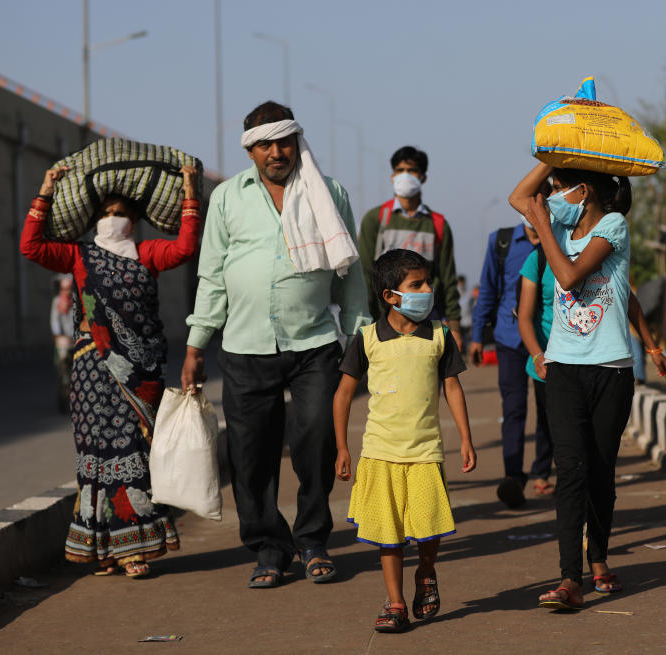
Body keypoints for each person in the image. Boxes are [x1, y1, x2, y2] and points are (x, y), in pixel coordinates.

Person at [181, 101, 371, 589]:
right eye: (265, 144)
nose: (276, 152)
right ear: (250, 149)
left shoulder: (329, 193)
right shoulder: (227, 197)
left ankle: (312, 540)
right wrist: (196, 344)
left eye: (283, 141)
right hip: (244, 347)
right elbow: (212, 274)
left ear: (296, 142)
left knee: (317, 441)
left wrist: (360, 339)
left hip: (314, 344)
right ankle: (269, 548)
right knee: (250, 454)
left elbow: (350, 277)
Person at [20, 164, 202, 578]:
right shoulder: (78, 254)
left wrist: (190, 191)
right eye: (103, 214)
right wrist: (45, 189)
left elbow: (186, 247)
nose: (111, 221)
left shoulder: (148, 253)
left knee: (133, 456)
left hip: (138, 373)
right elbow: (31, 247)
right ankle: (100, 549)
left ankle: (132, 549)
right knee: (93, 460)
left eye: (119, 213)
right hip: (90, 370)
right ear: (93, 221)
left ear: (134, 221)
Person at [509, 162, 666, 611]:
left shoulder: (614, 225)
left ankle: (598, 556)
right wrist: (549, 156)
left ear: (584, 192)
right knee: (572, 471)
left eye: (559, 188)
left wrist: (651, 346)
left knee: (601, 471)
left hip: (610, 370)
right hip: (562, 368)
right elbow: (518, 197)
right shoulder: (556, 224)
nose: (551, 196)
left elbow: (571, 278)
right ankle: (569, 578)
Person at [334, 248, 476, 633]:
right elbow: (343, 394)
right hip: (380, 453)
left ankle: (426, 572)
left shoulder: (439, 335)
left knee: (428, 530)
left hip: (426, 452)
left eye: (427, 282)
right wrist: (343, 448)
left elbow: (453, 388)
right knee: (389, 533)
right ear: (390, 296)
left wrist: (465, 438)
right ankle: (395, 602)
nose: (427, 290)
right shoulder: (366, 339)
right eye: (417, 284)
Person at [469, 221, 553, 507]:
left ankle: (542, 471)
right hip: (509, 339)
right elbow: (488, 289)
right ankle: (513, 478)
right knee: (513, 408)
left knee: (549, 409)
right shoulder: (501, 241)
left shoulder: (557, 239)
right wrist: (478, 336)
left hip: (547, 339)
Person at [357, 146, 463, 350]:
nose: (404, 176)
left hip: (426, 319)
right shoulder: (376, 219)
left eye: (411, 170)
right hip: (384, 320)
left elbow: (448, 278)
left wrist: (455, 326)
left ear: (423, 177)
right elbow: (365, 273)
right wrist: (368, 321)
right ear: (392, 176)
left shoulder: (437, 224)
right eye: (399, 170)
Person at [50, 274, 76, 413]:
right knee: (63, 373)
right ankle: (63, 400)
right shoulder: (57, 302)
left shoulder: (76, 301)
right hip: (63, 343)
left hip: (76, 342)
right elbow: (54, 322)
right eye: (64, 289)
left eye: (69, 289)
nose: (67, 292)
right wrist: (60, 336)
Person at [457, 274, 473, 348]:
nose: (461, 284)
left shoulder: (469, 294)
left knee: (469, 342)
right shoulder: (455, 294)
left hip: (468, 322)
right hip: (459, 323)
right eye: (459, 282)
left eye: (462, 282)